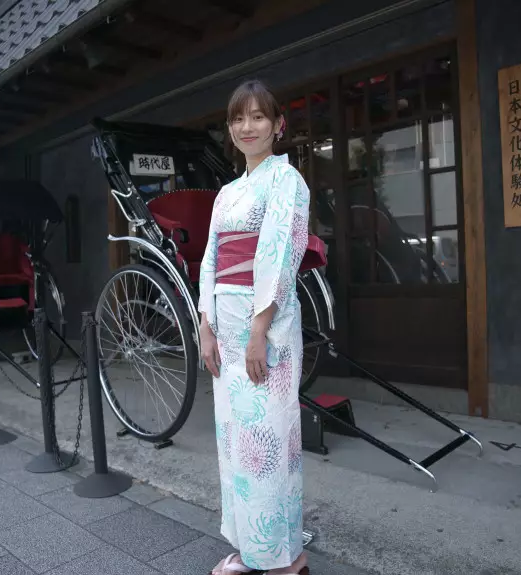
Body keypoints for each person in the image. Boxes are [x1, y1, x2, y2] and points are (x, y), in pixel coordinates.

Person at [199, 79, 311, 575]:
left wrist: (258, 331)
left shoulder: (286, 181)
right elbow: (210, 259)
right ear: (230, 129)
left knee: (268, 438)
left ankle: (286, 557)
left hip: (265, 327)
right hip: (225, 328)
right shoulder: (226, 194)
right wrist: (205, 326)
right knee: (236, 442)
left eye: (258, 116)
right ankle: (252, 548)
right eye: (238, 118)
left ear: (277, 125)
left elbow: (279, 256)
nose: (248, 126)